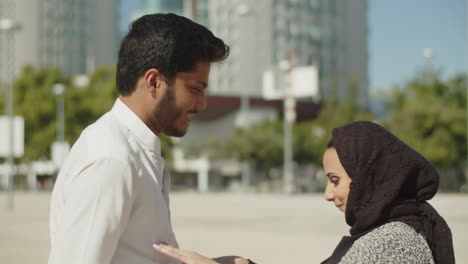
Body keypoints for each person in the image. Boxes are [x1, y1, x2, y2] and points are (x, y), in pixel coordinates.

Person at [48, 13, 236, 264]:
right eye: (195, 89)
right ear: (154, 81)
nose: (202, 104)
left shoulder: (135, 152)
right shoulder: (113, 160)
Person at [154, 121, 455, 264]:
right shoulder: (401, 230)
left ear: (370, 178)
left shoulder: (390, 244)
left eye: (335, 180)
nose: (327, 193)